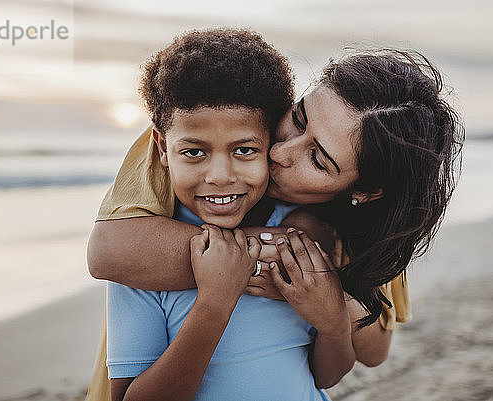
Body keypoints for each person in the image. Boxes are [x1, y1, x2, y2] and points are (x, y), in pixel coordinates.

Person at [87, 36, 464, 400]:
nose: (280, 150)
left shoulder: (380, 220)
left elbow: (373, 349)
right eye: (299, 120)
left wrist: (326, 293)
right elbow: (108, 253)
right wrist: (276, 250)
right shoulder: (202, 126)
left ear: (364, 192)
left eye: (318, 159)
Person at [102, 28, 345, 401]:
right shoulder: (141, 262)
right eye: (194, 152)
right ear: (162, 149)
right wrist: (215, 302)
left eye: (245, 150)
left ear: (272, 146)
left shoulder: (298, 237)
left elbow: (325, 376)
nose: (219, 176)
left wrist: (334, 327)